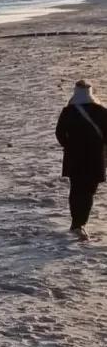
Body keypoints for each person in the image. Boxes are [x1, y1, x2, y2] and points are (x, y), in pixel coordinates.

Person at [56, 80, 107, 234]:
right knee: (89, 190)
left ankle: (75, 222)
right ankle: (82, 222)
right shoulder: (101, 110)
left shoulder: (68, 111)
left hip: (74, 156)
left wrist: (69, 146)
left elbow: (59, 133)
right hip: (95, 156)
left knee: (76, 189)